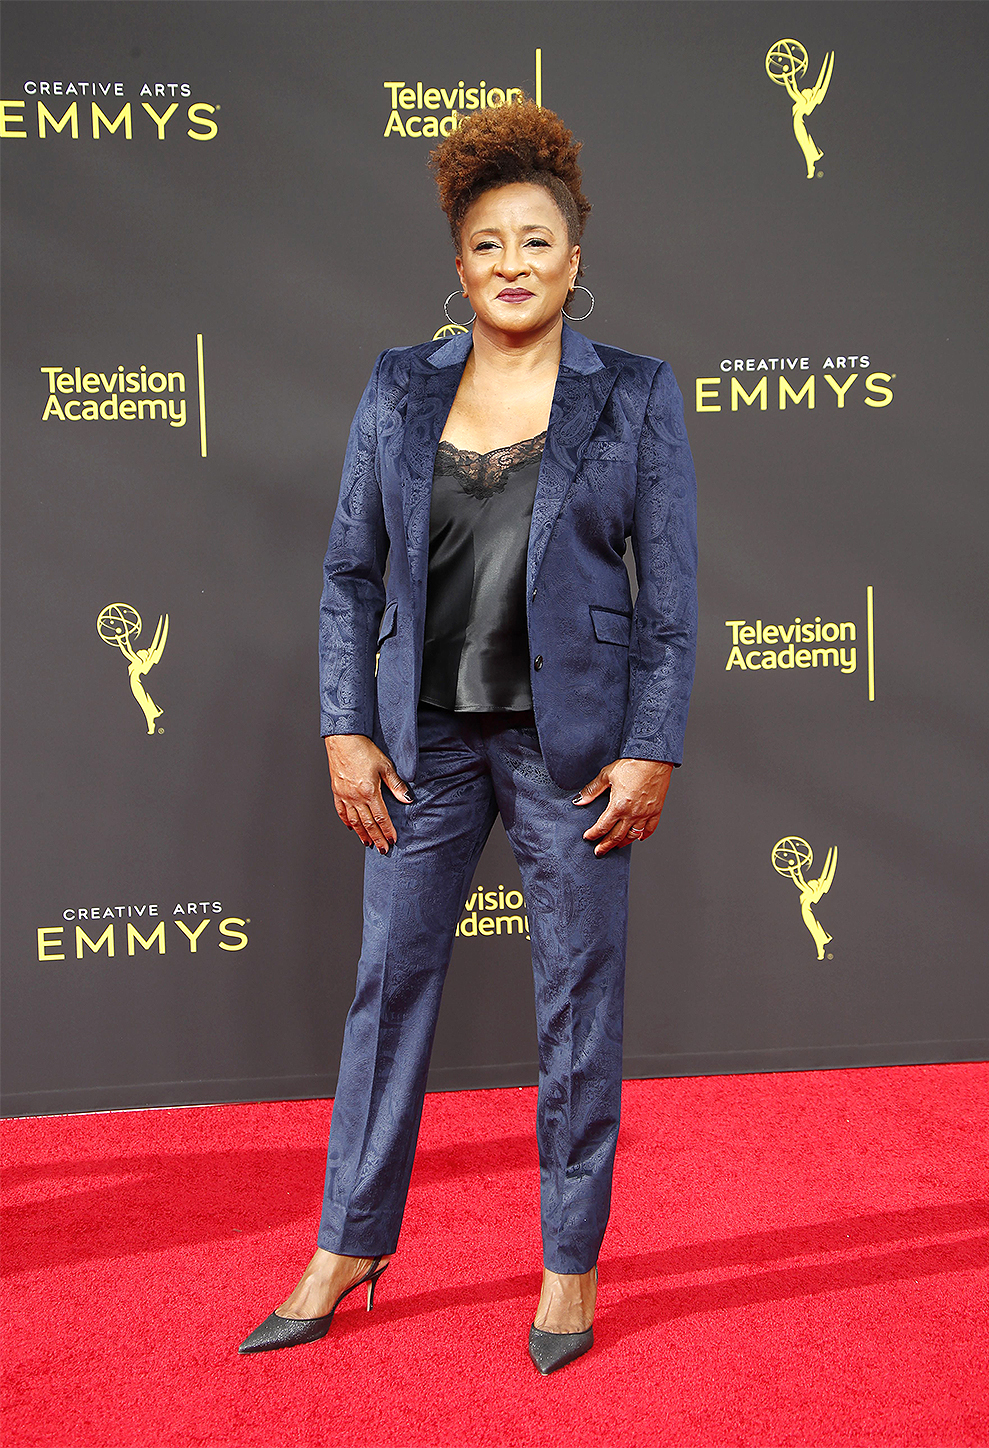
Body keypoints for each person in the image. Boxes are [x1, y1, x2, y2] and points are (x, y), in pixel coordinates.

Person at [239, 100, 697, 1374]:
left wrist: (652, 744)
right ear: (459, 262)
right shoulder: (399, 385)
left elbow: (669, 599)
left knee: (579, 1002)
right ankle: (348, 1241)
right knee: (386, 991)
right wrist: (345, 725)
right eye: (488, 242)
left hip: (573, 755)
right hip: (420, 745)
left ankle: (569, 1260)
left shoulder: (633, 394)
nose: (512, 262)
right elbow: (349, 573)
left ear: (573, 257)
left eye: (536, 240)